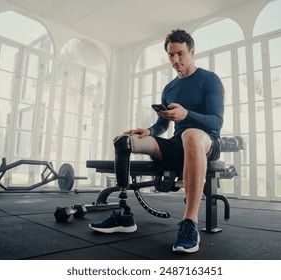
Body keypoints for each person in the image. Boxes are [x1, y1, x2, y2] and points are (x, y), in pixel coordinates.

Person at [89, 29, 224, 254]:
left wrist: (186, 115)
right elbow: (163, 125)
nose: (175, 60)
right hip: (177, 143)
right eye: (171, 55)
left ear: (192, 51)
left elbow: (216, 122)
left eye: (180, 54)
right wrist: (150, 130)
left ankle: (190, 223)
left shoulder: (209, 80)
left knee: (190, 133)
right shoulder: (169, 88)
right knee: (125, 140)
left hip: (206, 142)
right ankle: (124, 214)